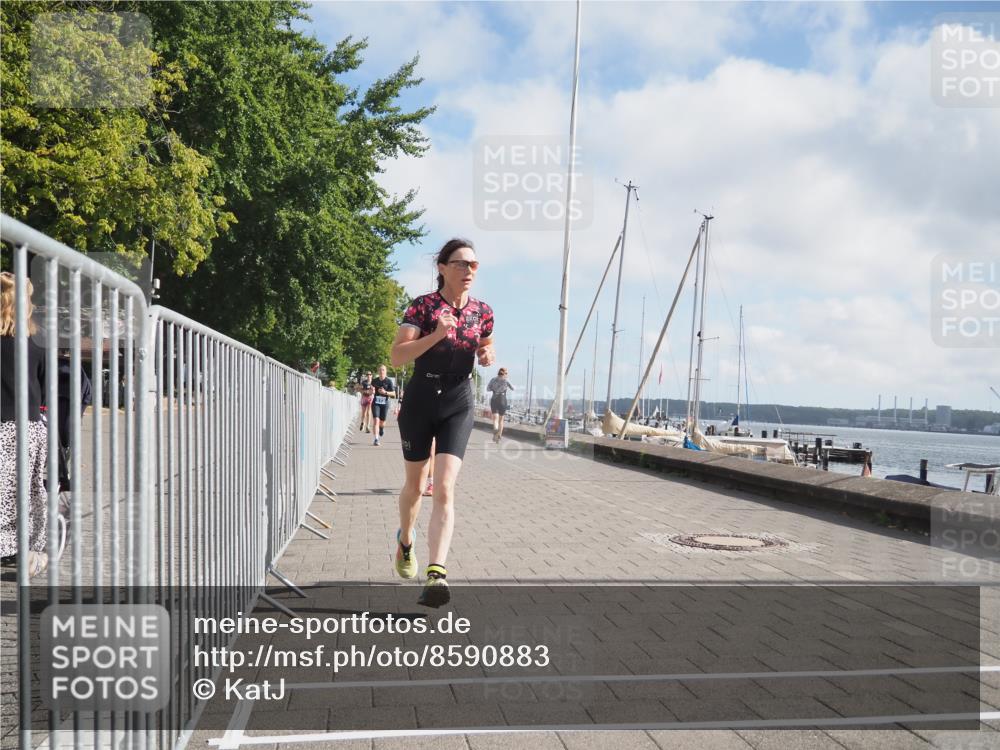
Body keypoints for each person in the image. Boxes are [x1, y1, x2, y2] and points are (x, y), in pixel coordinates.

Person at [390, 238, 494, 607]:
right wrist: (436, 334)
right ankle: (405, 541)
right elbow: (397, 355)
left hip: (458, 400)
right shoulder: (423, 306)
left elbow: (486, 343)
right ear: (443, 267)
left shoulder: (482, 310)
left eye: (474, 265)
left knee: (445, 487)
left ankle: (436, 573)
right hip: (421, 398)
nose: (469, 271)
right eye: (462, 264)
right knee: (415, 488)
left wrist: (486, 353)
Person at [0, 271, 49, 577]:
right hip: (27, 427)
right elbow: (45, 385)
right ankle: (22, 549)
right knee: (24, 493)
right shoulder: (35, 340)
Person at [369, 365, 395, 446]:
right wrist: (371, 391)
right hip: (376, 402)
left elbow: (394, 394)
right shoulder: (374, 381)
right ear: (378, 371)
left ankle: (381, 428)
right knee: (376, 420)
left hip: (385, 403)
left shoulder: (389, 381)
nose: (381, 371)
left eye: (383, 370)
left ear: (386, 371)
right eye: (380, 370)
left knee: (382, 422)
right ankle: (376, 439)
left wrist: (385, 393)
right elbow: (370, 392)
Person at [486, 368, 514, 442]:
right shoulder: (506, 380)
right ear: (504, 374)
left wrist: (494, 389)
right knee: (501, 420)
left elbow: (488, 389)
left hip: (494, 398)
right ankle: (499, 435)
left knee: (495, 418)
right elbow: (513, 388)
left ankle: (495, 429)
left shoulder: (493, 379)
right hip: (502, 399)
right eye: (507, 373)